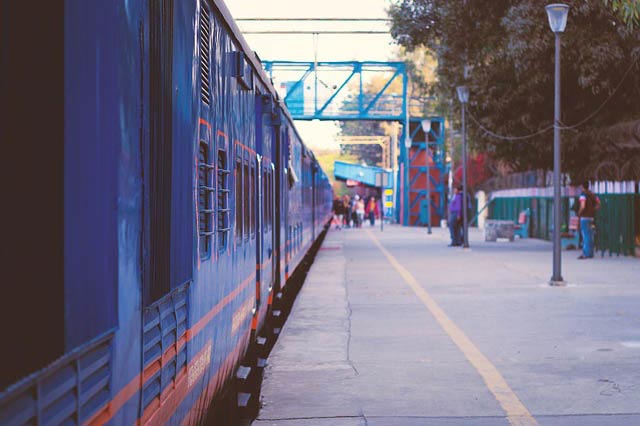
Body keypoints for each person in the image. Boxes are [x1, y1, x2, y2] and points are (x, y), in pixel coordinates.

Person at [577, 181, 600, 259]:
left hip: (584, 217)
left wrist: (579, 212)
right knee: (590, 235)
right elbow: (598, 204)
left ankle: (585, 253)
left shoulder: (583, 195)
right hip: (591, 217)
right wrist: (593, 210)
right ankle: (590, 253)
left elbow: (582, 206)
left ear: (582, 186)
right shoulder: (592, 194)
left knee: (585, 235)